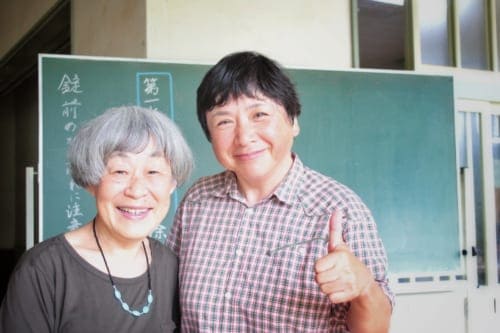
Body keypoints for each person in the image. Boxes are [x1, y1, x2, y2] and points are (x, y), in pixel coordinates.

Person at [166, 51, 394, 332]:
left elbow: (377, 328)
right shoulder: (197, 201)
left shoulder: (340, 209)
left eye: (259, 114)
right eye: (224, 121)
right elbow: (169, 302)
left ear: (293, 120)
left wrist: (364, 289)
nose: (244, 136)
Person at [0, 105, 193, 332]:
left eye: (153, 172)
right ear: (92, 181)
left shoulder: (172, 267)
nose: (137, 190)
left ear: (172, 184)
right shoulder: (43, 269)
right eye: (120, 171)